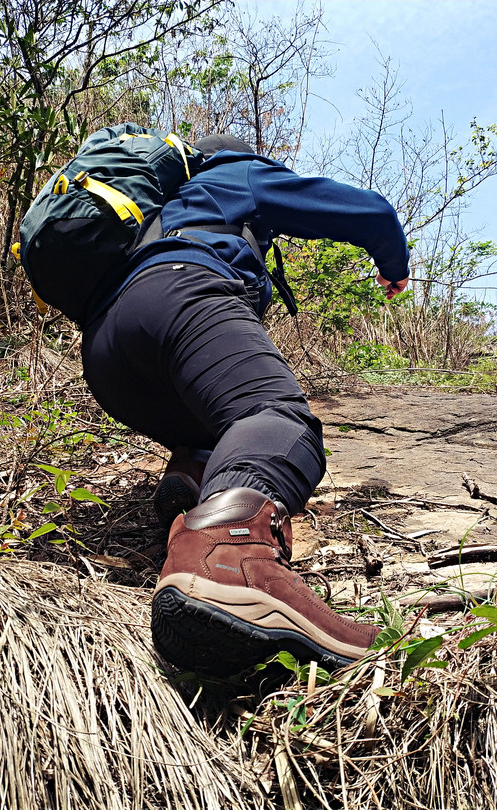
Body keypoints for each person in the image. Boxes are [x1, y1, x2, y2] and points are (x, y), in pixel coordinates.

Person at [80, 133, 410, 676]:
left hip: (106, 351)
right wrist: (393, 267)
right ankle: (227, 557)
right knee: (276, 419)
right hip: (183, 293)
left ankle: (196, 473)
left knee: (223, 419)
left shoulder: (159, 206)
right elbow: (370, 212)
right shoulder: (237, 174)